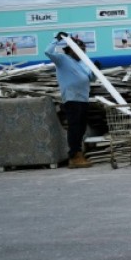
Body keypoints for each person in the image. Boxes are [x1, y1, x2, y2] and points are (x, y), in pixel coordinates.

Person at [45, 32, 96, 169]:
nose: (82, 51)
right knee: (74, 127)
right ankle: (74, 156)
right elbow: (48, 52)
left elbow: (90, 78)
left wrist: (95, 71)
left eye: (83, 49)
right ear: (71, 49)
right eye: (80, 49)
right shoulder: (63, 59)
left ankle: (78, 152)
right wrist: (56, 39)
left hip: (83, 98)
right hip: (72, 98)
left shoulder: (83, 63)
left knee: (81, 127)